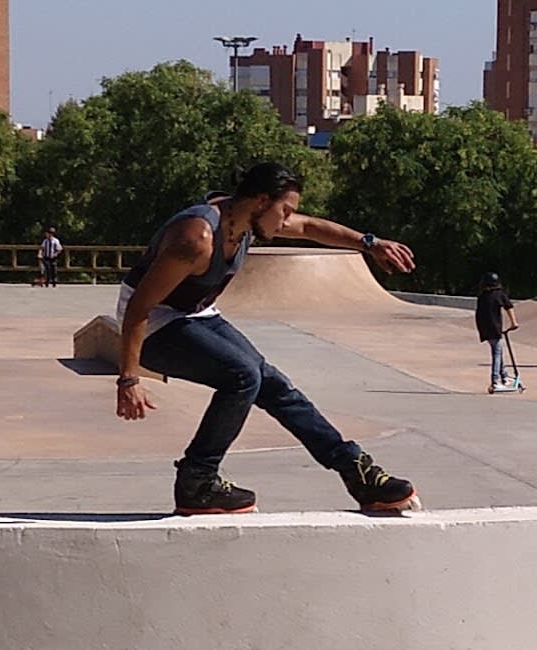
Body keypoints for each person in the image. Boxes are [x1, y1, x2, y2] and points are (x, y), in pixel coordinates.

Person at [114, 162, 420, 515]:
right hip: (153, 322)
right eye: (284, 211)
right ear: (261, 201)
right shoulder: (197, 237)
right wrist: (129, 378)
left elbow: (308, 227)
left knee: (274, 385)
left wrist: (370, 243)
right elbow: (139, 308)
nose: (286, 221)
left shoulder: (248, 218)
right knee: (243, 375)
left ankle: (356, 472)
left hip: (195, 313)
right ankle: (197, 480)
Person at [474, 272, 519, 393]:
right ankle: (495, 381)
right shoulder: (499, 294)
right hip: (494, 328)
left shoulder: (482, 296)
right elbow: (509, 306)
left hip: (484, 327)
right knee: (497, 353)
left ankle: (504, 377)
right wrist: (514, 323)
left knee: (497, 350)